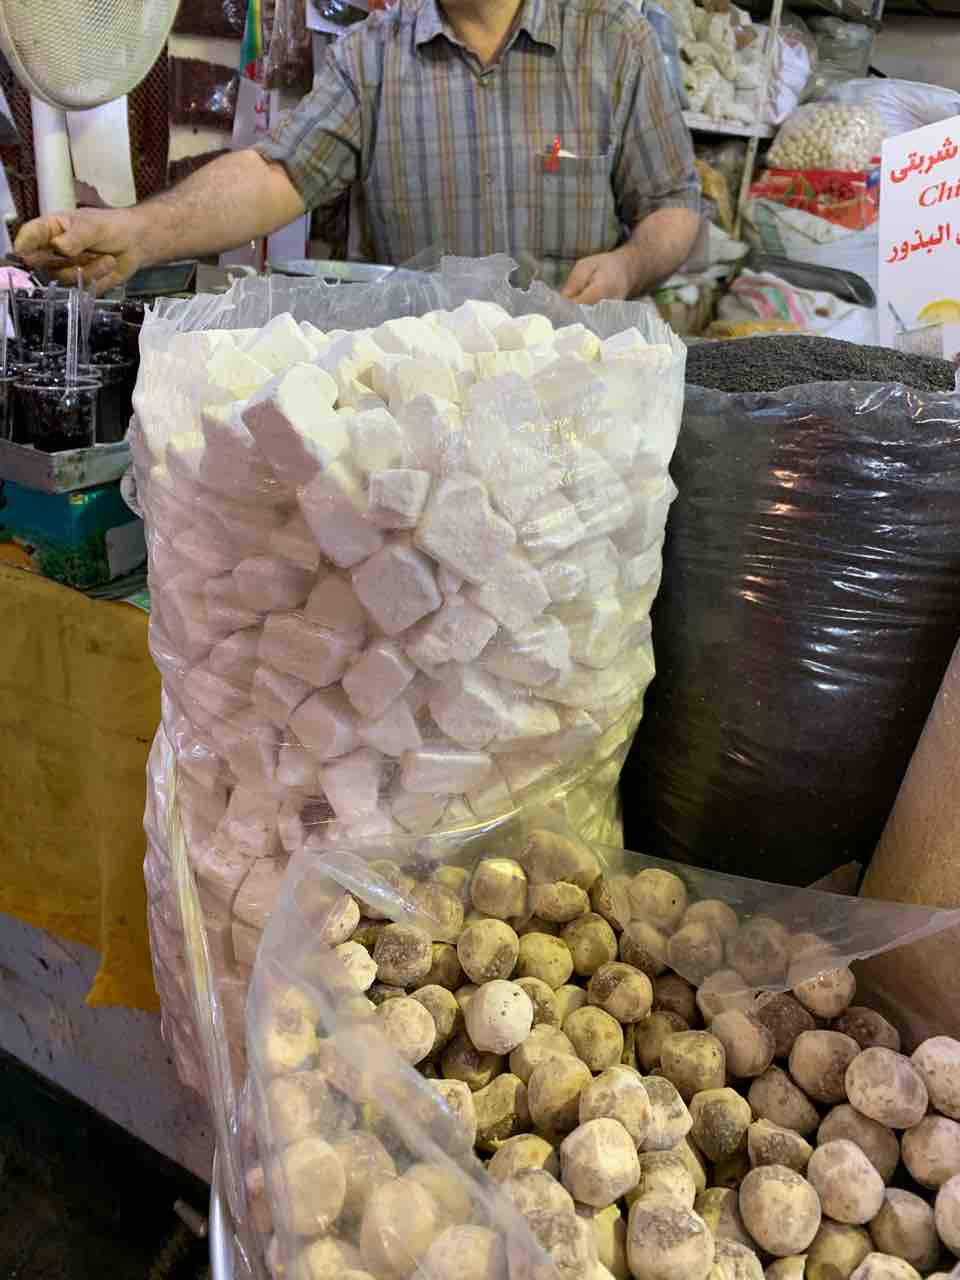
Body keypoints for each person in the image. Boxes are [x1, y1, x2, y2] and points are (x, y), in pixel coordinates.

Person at [16, 0, 700, 304]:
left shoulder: (615, 40)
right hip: (429, 404)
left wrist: (628, 265)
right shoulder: (371, 55)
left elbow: (673, 207)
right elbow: (275, 175)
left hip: (580, 398)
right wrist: (138, 233)